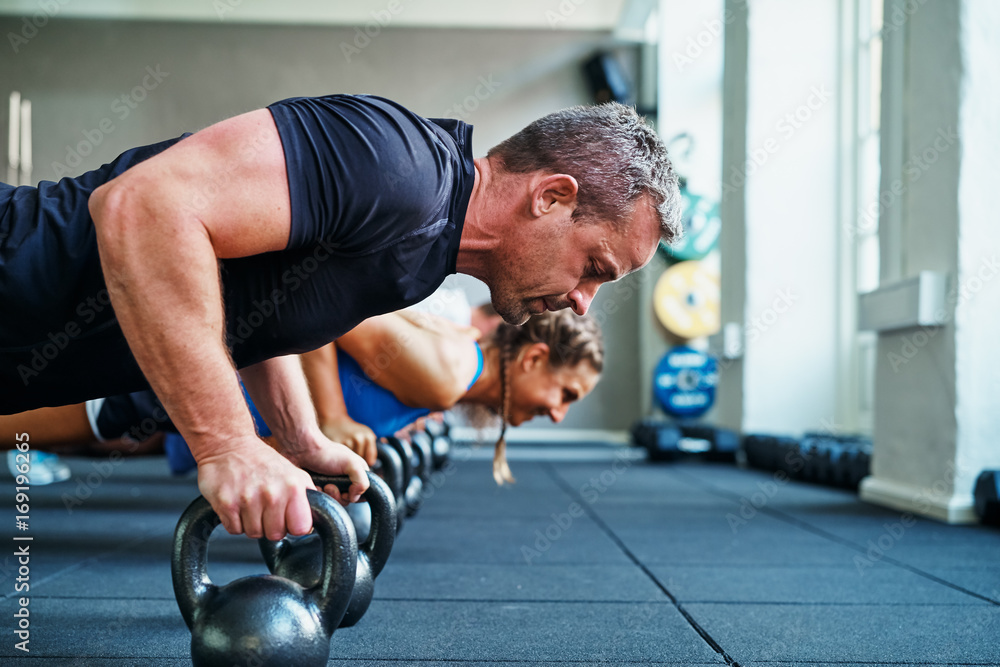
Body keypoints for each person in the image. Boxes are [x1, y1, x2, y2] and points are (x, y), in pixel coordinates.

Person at [0, 94, 679, 539]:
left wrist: (298, 434)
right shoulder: (398, 167)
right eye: (594, 266)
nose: (583, 301)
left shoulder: (423, 254)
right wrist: (227, 443)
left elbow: (247, 303)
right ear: (553, 197)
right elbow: (141, 207)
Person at [0, 310, 603, 486]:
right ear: (532, 358)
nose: (557, 412)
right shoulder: (446, 372)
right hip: (179, 383)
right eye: (565, 394)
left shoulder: (455, 361)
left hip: (199, 403)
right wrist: (333, 419)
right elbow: (320, 313)